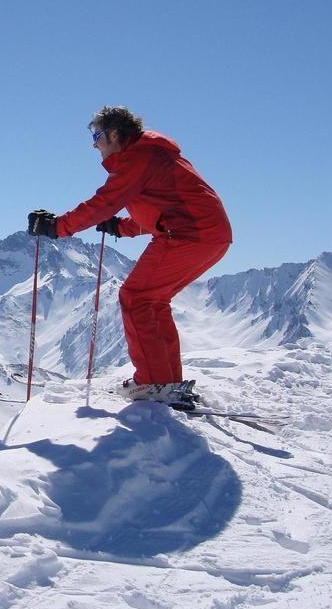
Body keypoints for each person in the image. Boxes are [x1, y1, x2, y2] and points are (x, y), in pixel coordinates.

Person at [27, 106, 232, 402]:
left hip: (188, 236)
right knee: (153, 301)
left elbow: (105, 202)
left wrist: (57, 227)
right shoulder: (151, 154)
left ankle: (153, 383)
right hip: (207, 235)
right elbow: (169, 205)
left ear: (114, 134)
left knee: (136, 298)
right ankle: (166, 382)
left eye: (97, 135)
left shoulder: (138, 157)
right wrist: (121, 228)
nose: (93, 143)